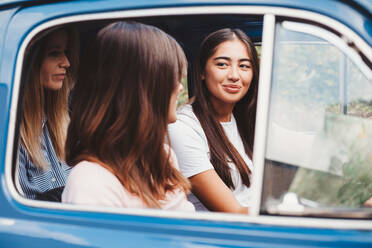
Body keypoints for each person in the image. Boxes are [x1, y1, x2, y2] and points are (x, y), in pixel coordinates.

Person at [62, 21, 194, 211]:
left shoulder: (163, 157)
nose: (180, 87)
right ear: (143, 91)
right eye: (172, 79)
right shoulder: (92, 183)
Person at [168, 28, 259, 213]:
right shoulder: (183, 128)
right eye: (222, 64)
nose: (235, 75)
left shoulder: (245, 119)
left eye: (244, 66)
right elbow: (233, 212)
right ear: (202, 71)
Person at [18, 26, 79, 200]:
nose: (66, 62)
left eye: (66, 52)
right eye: (54, 53)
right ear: (29, 60)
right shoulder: (12, 136)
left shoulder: (66, 124)